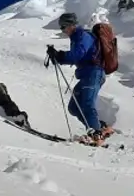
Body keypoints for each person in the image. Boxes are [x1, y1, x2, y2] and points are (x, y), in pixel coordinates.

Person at [46, 13, 112, 145]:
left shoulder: (83, 36)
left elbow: (78, 54)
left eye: (63, 26)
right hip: (86, 75)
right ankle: (101, 128)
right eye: (61, 27)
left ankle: (96, 135)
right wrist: (58, 57)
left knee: (87, 104)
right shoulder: (76, 38)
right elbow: (77, 57)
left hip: (94, 73)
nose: (63, 30)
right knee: (74, 107)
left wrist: (59, 55)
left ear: (71, 25)